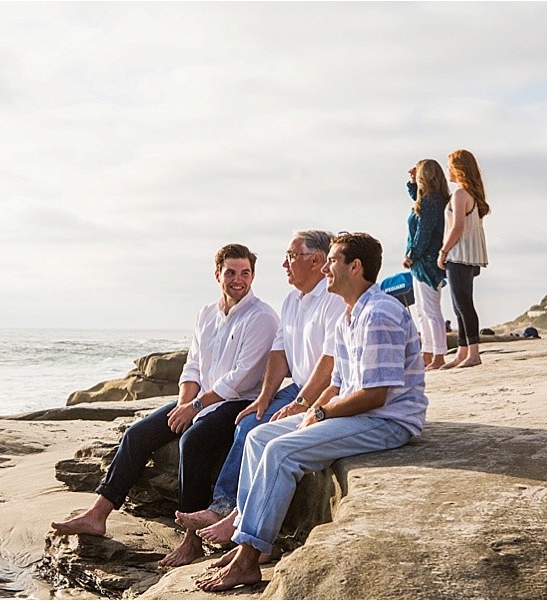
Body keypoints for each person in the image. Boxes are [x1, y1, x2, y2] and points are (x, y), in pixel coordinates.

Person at [196, 232, 428, 592]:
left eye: (332, 261)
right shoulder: (349, 316)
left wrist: (321, 415)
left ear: (355, 267)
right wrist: (309, 408)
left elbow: (376, 395)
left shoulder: (379, 313)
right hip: (354, 412)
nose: (326, 268)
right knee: (259, 437)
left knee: (282, 451)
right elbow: (336, 382)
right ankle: (249, 544)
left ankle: (249, 557)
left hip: (388, 421)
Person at [51, 243, 279, 567]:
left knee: (193, 441)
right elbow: (194, 366)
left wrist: (195, 407)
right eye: (231, 273)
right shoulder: (206, 314)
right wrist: (185, 402)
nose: (238, 280)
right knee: (137, 434)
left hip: (236, 402)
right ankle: (97, 514)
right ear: (218, 274)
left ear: (253, 275)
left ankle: (191, 541)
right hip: (199, 399)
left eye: (245, 273)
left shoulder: (263, 317)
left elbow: (239, 379)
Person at [175, 230, 346, 546]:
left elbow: (330, 361)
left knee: (255, 434)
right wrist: (265, 399)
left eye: (291, 256)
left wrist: (302, 402)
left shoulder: (332, 299)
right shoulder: (293, 300)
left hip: (327, 390)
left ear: (317, 261)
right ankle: (225, 510)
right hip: (298, 386)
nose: (284, 264)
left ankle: (229, 512)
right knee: (250, 420)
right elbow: (278, 353)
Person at [437, 149, 490, 369]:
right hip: (468, 257)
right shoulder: (471, 194)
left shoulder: (460, 195)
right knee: (460, 306)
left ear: (459, 170)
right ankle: (462, 352)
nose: (447, 170)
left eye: (450, 166)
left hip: (460, 256)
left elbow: (457, 227)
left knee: (463, 304)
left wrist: (443, 251)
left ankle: (473, 353)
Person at [405, 159, 449, 370]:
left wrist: (412, 254)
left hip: (427, 261)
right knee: (422, 310)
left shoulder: (433, 201)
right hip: (422, 262)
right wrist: (412, 182)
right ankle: (428, 352)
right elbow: (418, 200)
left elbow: (425, 231)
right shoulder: (431, 199)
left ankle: (439, 354)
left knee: (431, 310)